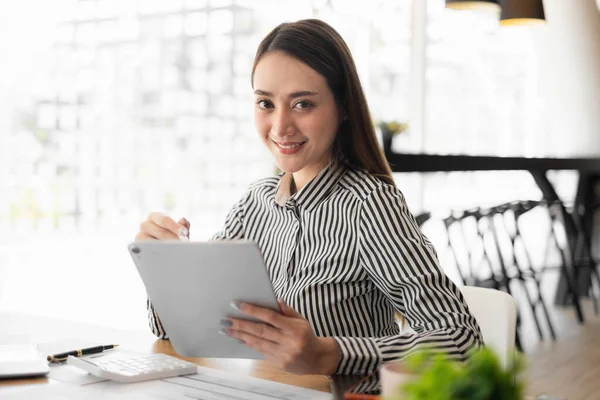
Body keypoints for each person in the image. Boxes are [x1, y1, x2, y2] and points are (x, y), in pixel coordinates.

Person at [135, 19, 483, 377]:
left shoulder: (368, 205)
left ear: (342, 107)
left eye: (302, 104)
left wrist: (328, 354)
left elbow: (463, 341)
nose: (280, 126)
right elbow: (180, 331)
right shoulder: (254, 204)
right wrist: (167, 267)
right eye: (265, 103)